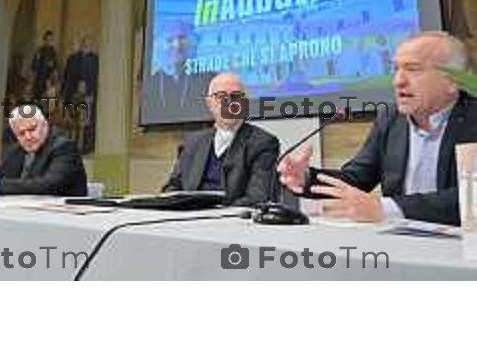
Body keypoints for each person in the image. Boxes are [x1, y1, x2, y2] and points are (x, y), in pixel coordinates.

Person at [278, 31, 477, 225]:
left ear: (452, 82)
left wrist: (385, 208)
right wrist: (306, 178)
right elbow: (356, 178)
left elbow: (471, 199)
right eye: (396, 69)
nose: (398, 81)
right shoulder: (391, 118)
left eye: (413, 69)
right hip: (403, 241)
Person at [162, 73, 280, 206]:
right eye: (221, 97)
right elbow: (172, 188)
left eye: (235, 97)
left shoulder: (263, 143)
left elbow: (257, 198)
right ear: (209, 103)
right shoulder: (192, 142)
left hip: (231, 222)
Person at [0, 104, 87, 196]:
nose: (28, 137)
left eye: (32, 129)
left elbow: (49, 185)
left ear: (45, 125)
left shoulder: (64, 148)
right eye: (21, 133)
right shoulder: (16, 151)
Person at [31, 30, 59, 100]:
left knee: (46, 102)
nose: (48, 42)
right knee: (36, 100)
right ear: (44, 40)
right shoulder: (39, 51)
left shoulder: (54, 53)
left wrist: (52, 81)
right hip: (38, 81)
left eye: (50, 40)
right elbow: (33, 67)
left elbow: (55, 69)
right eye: (47, 39)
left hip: (48, 83)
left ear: (52, 41)